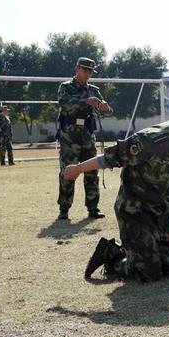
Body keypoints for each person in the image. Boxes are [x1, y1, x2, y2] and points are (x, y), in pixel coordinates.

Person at [63, 98, 169, 282]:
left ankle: (141, 252)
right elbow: (112, 157)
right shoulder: (154, 139)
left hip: (162, 210)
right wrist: (77, 169)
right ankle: (113, 254)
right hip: (135, 211)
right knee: (147, 273)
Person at [57, 57, 112, 220]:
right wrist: (86, 102)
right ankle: (64, 209)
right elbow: (65, 104)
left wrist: (104, 107)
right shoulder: (65, 87)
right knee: (68, 171)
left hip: (87, 136)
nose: (88, 74)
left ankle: (93, 208)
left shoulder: (94, 90)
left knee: (91, 171)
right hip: (69, 136)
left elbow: (107, 111)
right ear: (77, 69)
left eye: (90, 72)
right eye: (85, 70)